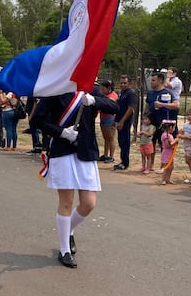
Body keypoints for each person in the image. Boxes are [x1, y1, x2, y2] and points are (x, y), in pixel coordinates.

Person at [33, 89, 117, 268]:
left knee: (89, 203)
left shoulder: (90, 89)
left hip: (86, 151)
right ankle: (65, 249)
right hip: (63, 151)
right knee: (66, 202)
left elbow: (114, 106)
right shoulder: (55, 89)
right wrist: (61, 132)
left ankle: (68, 229)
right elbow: (37, 120)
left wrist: (95, 101)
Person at [113, 75, 137, 170]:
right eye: (121, 83)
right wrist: (115, 120)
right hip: (118, 120)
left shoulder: (131, 93)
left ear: (129, 83)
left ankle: (125, 163)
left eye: (125, 83)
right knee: (121, 141)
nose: (122, 85)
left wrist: (122, 121)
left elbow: (130, 109)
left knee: (125, 142)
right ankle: (122, 160)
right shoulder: (121, 93)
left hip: (125, 122)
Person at [97, 80, 117, 164]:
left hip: (110, 118)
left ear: (109, 88)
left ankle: (111, 156)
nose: (102, 91)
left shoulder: (113, 96)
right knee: (106, 138)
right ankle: (105, 155)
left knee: (111, 137)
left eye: (103, 89)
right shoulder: (104, 96)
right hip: (103, 117)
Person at [159, 120, 178, 186]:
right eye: (173, 128)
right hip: (166, 153)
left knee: (171, 167)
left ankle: (168, 179)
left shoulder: (170, 135)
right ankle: (163, 179)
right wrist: (175, 141)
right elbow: (168, 145)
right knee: (166, 167)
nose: (174, 129)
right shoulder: (165, 136)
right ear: (170, 128)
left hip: (171, 153)